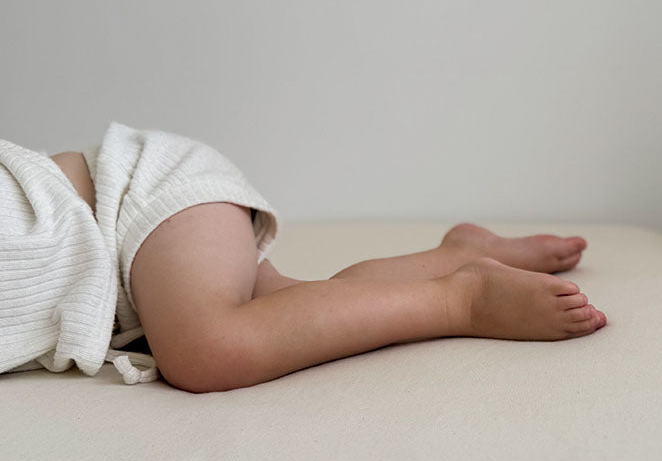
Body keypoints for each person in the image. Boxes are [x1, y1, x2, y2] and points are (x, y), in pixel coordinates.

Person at [2, 123, 606, 393]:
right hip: (136, 267)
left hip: (136, 198)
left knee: (208, 347)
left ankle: (462, 298)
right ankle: (453, 255)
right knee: (294, 306)